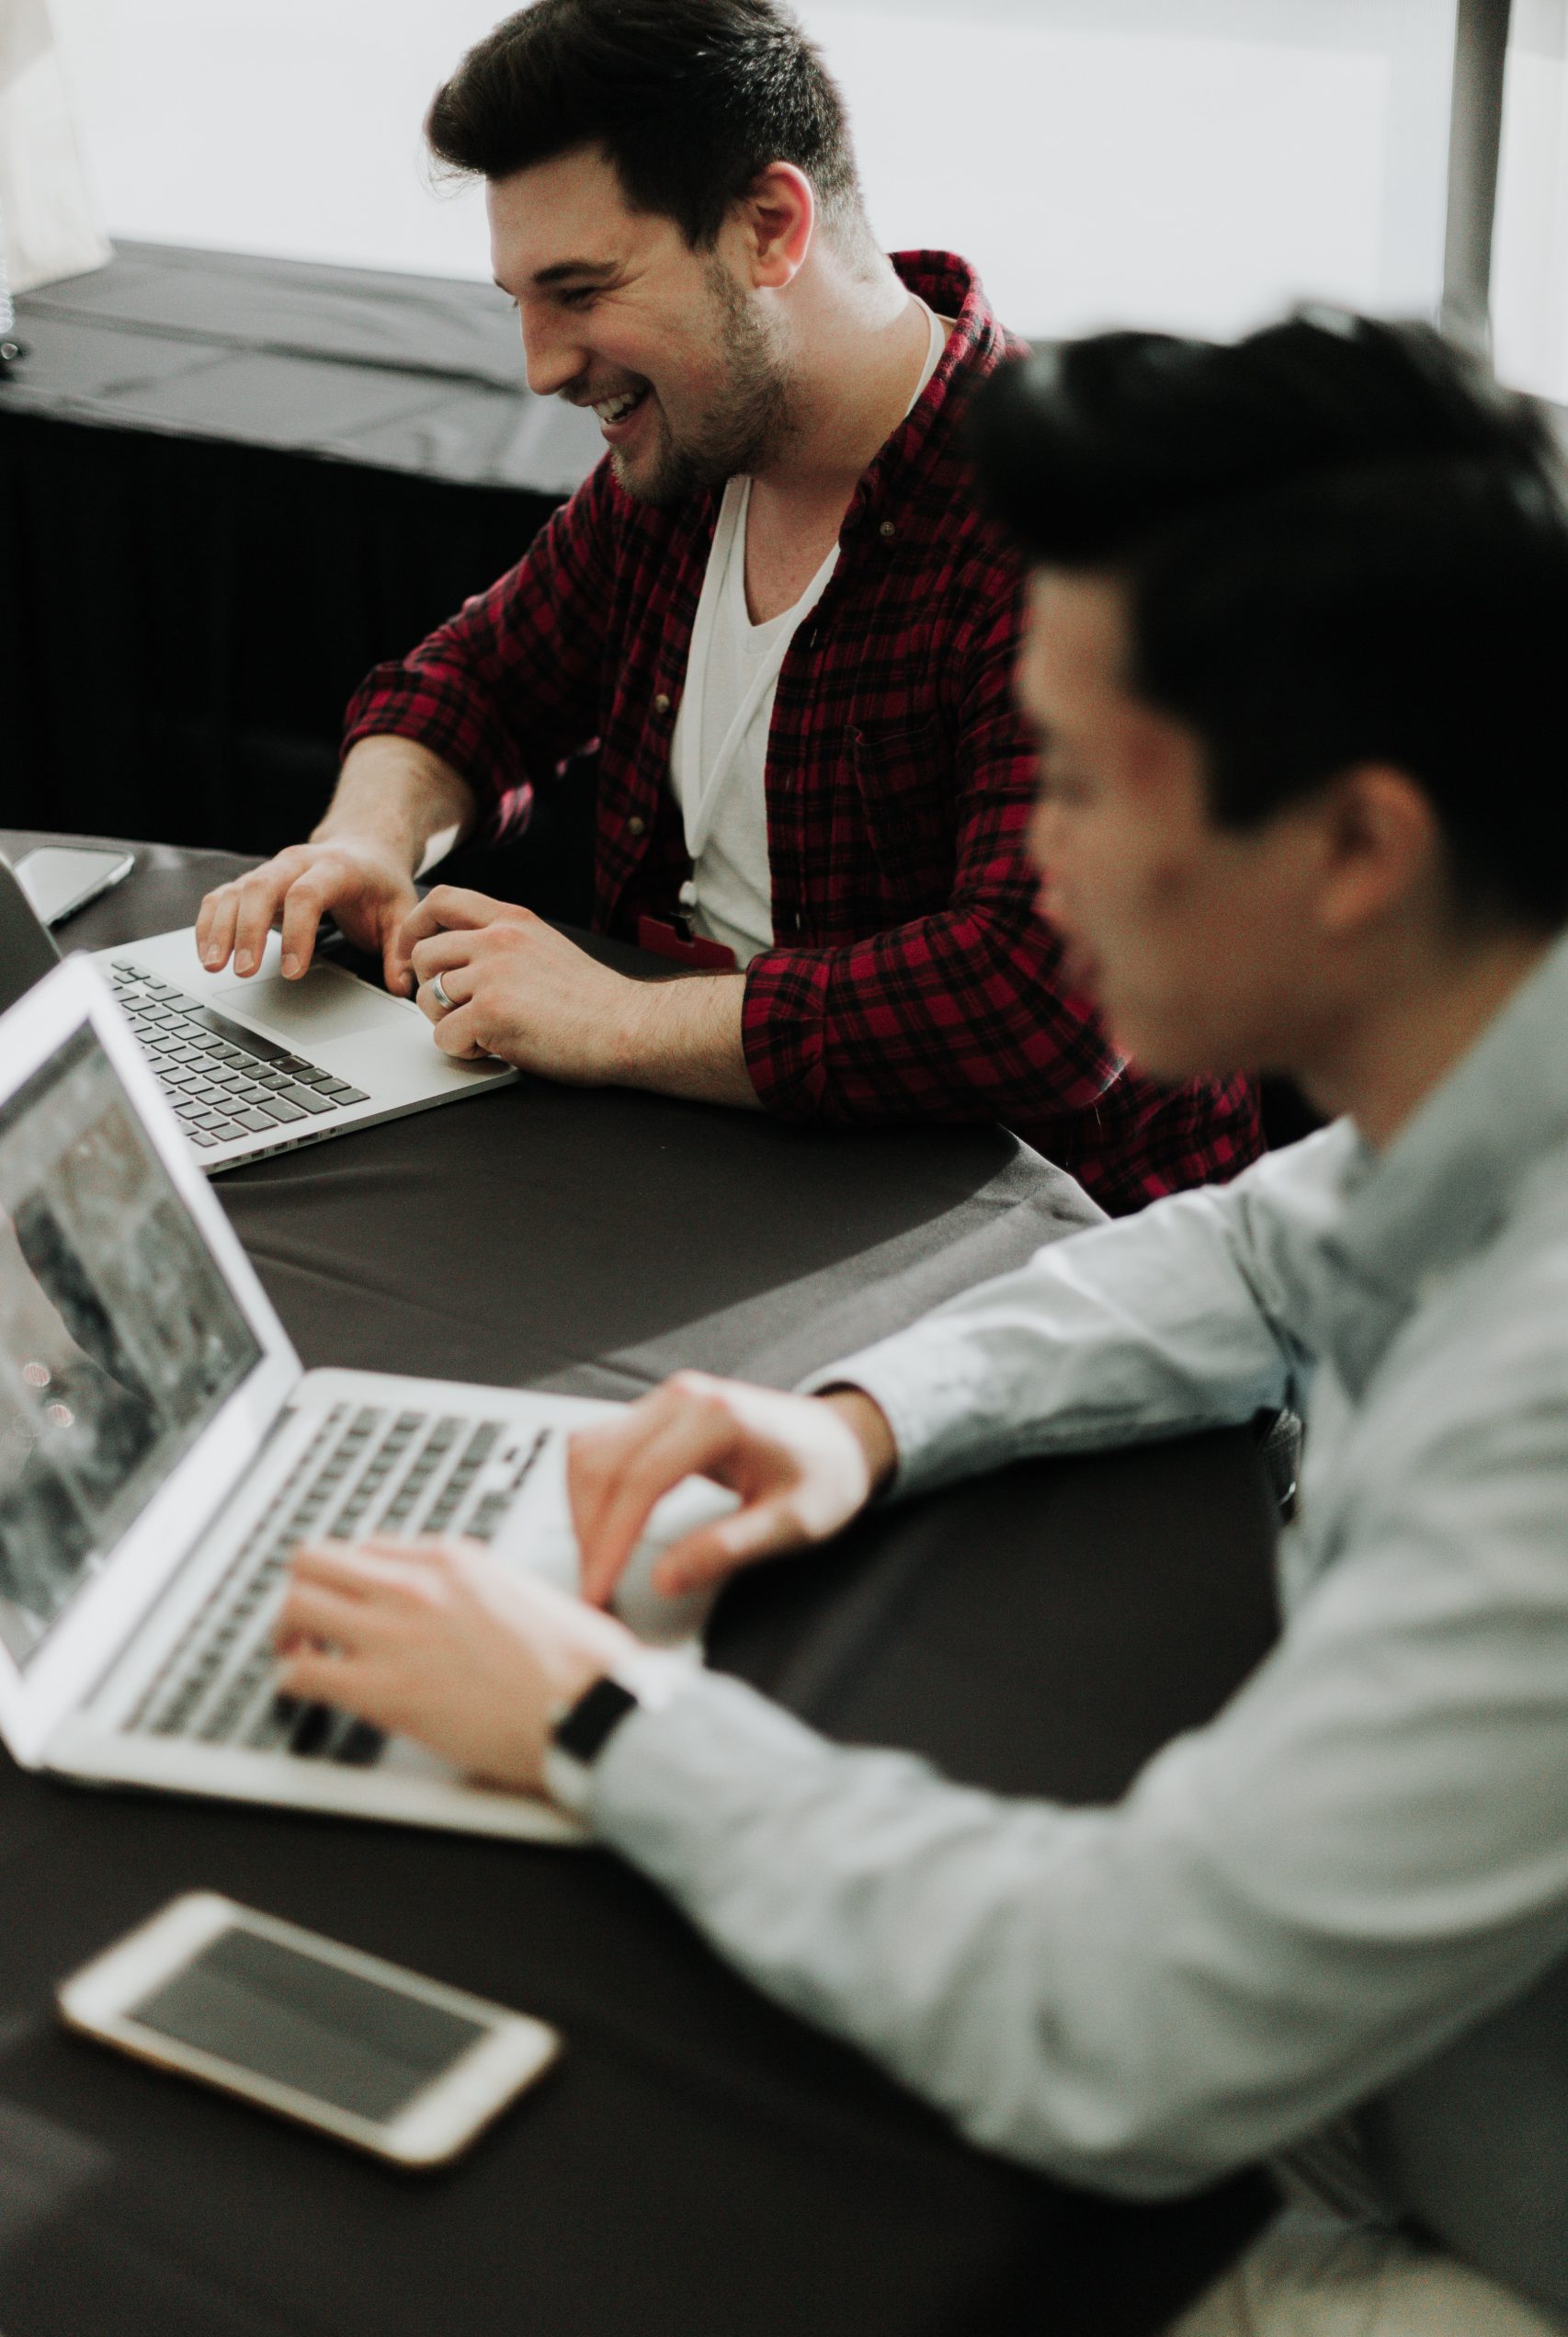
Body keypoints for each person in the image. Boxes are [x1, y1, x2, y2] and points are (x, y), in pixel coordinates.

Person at [277, 310, 1568, 2332]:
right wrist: (864, 1411)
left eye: (1069, 776)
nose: (1026, 860)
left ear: (1353, 846)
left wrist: (598, 1713)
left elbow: (1116, 2019)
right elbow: (1249, 1248)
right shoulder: (1496, 1064)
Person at [192, 0, 1259, 1215]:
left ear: (768, 228)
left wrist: (620, 1021)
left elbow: (1041, 1001)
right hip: (718, 1175)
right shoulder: (690, 461)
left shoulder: (1079, 528)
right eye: (518, 302)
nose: (540, 366)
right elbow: (474, 683)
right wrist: (364, 839)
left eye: (580, 290)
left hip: (1033, 1255)